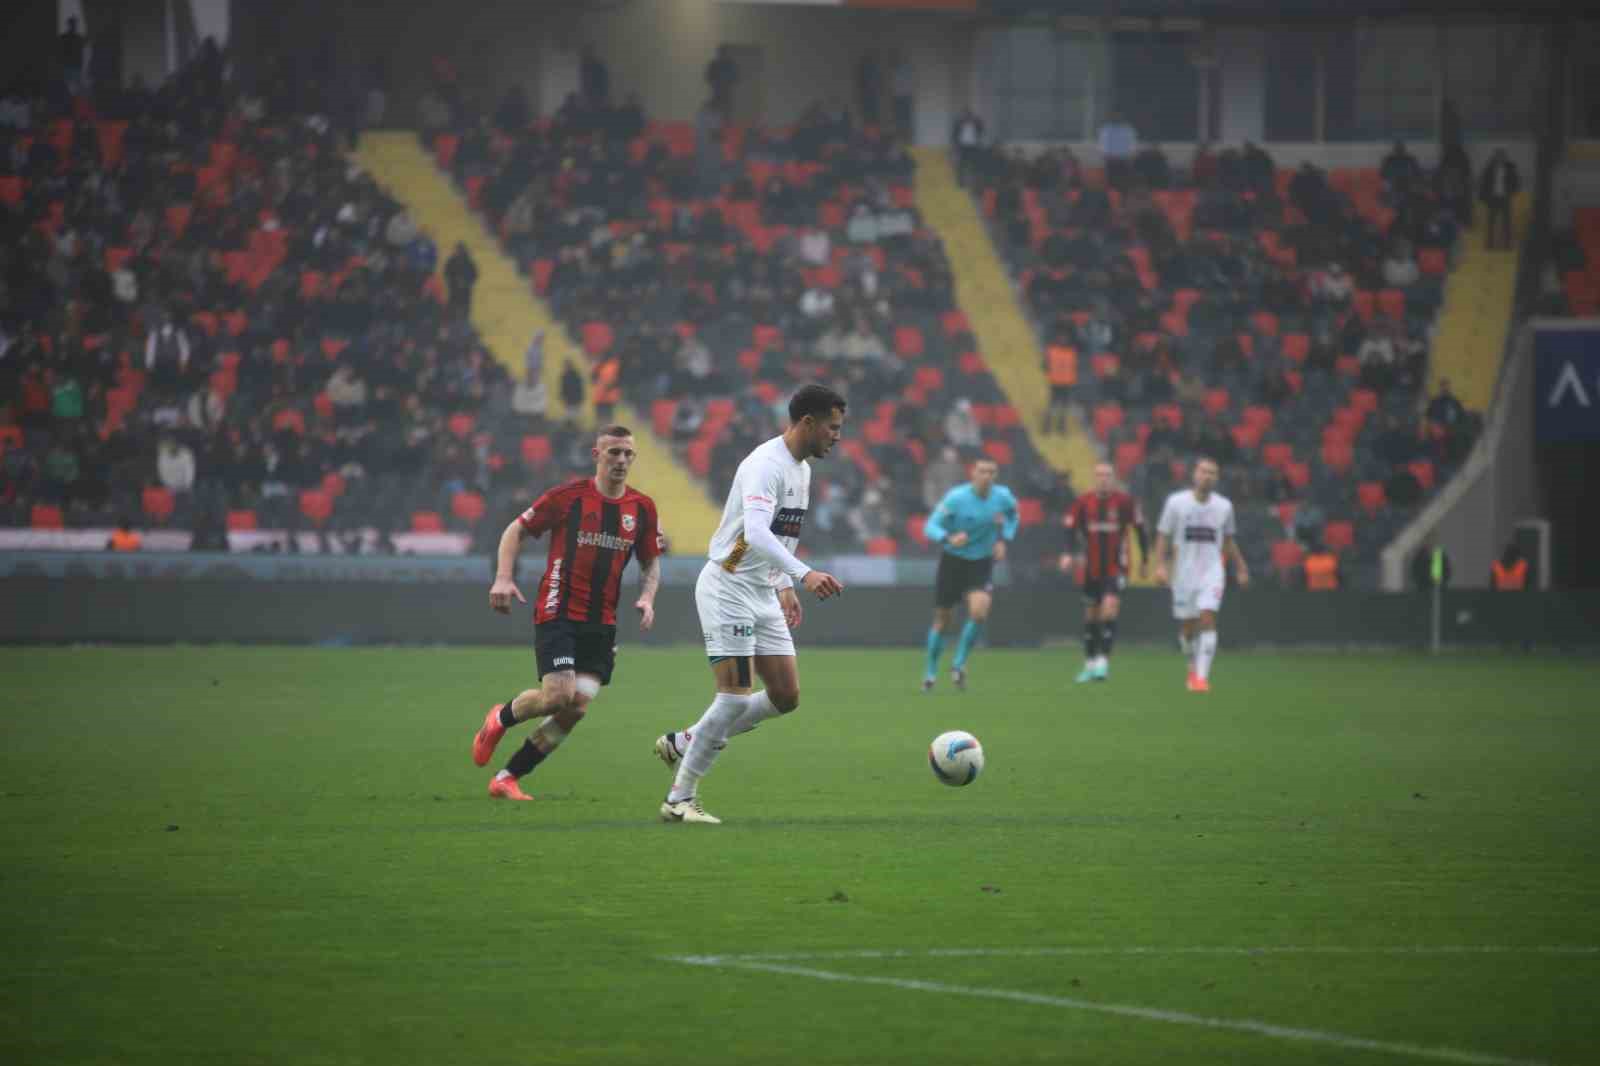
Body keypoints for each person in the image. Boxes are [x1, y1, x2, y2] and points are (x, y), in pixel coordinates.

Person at [652, 384, 848, 824]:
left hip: (761, 589)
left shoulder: (802, 470)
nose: (837, 437)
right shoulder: (765, 465)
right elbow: (756, 533)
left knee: (785, 695)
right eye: (833, 428)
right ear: (808, 424)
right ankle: (679, 799)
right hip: (728, 586)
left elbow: (779, 535)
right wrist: (805, 573)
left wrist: (782, 584)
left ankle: (688, 741)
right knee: (734, 698)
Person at [470, 425, 665, 801]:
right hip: (558, 611)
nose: (621, 460)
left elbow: (650, 563)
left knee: (576, 707)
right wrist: (503, 577)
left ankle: (507, 776)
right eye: (614, 453)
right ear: (597, 455)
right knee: (558, 696)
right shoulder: (568, 498)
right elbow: (516, 529)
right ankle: (501, 717)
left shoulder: (642, 508)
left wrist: (648, 598)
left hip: (602, 621)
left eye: (628, 454)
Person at [920, 457, 1019, 692]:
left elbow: (1013, 516)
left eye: (992, 472)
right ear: (973, 474)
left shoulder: (1003, 497)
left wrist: (1004, 539)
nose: (987, 476)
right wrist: (948, 538)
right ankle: (931, 672)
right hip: (953, 561)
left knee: (979, 610)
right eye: (982, 471)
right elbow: (931, 525)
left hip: (981, 562)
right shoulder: (957, 498)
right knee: (943, 620)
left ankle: (958, 664)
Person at [1153, 457, 1250, 693]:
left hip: (1212, 572)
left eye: (1212, 473)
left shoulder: (1224, 506)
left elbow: (1228, 540)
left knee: (1207, 619)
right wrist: (1160, 565)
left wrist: (1240, 567)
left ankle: (1201, 678)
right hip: (1183, 574)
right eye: (1203, 471)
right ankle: (1191, 664)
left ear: (1216, 479)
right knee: (1187, 628)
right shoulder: (1176, 503)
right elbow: (1163, 535)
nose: (1207, 476)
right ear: (1194, 474)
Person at [1060, 461, 1147, 683]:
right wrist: (1068, 553)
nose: (1104, 479)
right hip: (1091, 568)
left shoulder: (1125, 503)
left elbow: (1140, 531)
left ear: (1113, 478)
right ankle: (1089, 663)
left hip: (1116, 566)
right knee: (1091, 616)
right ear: (1094, 477)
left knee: (1109, 609)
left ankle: (1103, 662)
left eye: (1108, 475)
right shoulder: (1083, 503)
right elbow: (1069, 530)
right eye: (1099, 475)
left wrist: (1145, 560)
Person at [1479, 150, 1520, 252]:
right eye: (1498, 157)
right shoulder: (1489, 168)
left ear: (1505, 158)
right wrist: (1485, 197)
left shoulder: (1510, 169)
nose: (1500, 159)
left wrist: (1512, 192)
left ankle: (1507, 244)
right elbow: (1483, 183)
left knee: (1506, 222)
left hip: (1505, 198)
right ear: (1495, 158)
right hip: (1493, 198)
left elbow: (1516, 182)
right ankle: (1489, 244)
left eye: (1502, 157)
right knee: (1491, 222)